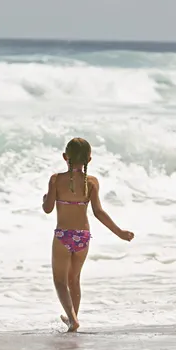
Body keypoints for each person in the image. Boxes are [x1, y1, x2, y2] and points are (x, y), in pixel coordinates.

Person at [42, 138, 134, 332]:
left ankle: (72, 319)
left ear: (65, 157)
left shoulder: (56, 180)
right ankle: (72, 318)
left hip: (63, 236)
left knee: (60, 281)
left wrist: (45, 199)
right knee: (74, 280)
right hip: (83, 236)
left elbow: (48, 209)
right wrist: (120, 233)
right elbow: (99, 212)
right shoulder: (92, 182)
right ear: (89, 160)